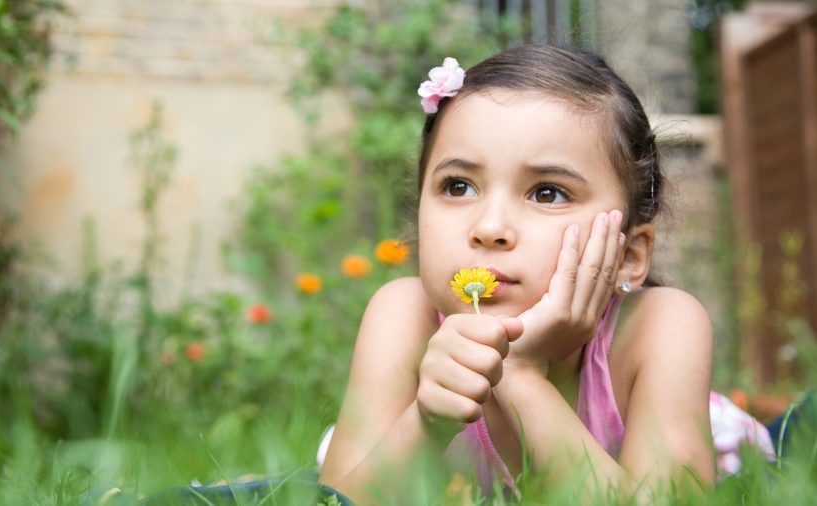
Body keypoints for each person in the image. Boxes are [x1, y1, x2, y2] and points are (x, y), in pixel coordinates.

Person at [317, 45, 773, 504]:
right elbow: (335, 499)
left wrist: (520, 374)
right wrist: (428, 419)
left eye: (548, 193)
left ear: (628, 256)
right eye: (458, 186)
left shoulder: (661, 326)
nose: (489, 228)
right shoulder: (402, 315)